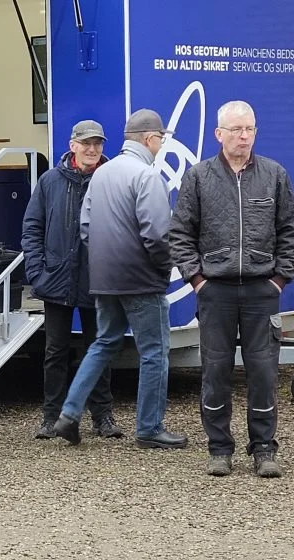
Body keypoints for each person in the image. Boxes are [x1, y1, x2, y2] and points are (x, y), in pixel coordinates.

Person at [168, 100, 294, 478]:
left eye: (250, 129)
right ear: (219, 134)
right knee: (215, 371)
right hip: (216, 292)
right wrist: (197, 279)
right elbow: (180, 233)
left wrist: (280, 278)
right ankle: (219, 448)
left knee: (263, 372)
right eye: (237, 130)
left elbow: (290, 229)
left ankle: (263, 449)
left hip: (262, 290)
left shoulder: (274, 175)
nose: (244, 136)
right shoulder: (198, 177)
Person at [52, 109, 186, 451]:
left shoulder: (102, 174)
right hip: (141, 279)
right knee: (155, 351)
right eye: (161, 138)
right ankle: (150, 428)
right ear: (149, 139)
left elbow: (86, 226)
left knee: (104, 343)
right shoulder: (146, 176)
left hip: (104, 278)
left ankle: (69, 414)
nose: (161, 145)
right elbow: (156, 235)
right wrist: (163, 268)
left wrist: (103, 260)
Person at [22, 120, 123, 441]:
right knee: (55, 351)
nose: (92, 149)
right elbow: (32, 228)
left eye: (98, 144)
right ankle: (51, 417)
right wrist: (38, 272)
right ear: (72, 145)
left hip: (100, 281)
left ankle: (102, 417)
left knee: (100, 348)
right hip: (57, 280)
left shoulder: (112, 179)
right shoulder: (50, 181)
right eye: (86, 143)